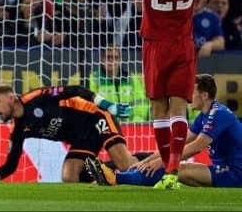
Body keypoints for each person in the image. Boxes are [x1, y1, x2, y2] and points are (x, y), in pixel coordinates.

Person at [111, 0, 212, 189]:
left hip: (156, 44)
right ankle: (171, 172)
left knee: (159, 110)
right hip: (184, 44)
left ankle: (166, 172)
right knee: (179, 109)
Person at [85, 74, 242, 188]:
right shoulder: (203, 116)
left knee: (175, 168)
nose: (188, 96)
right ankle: (115, 177)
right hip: (222, 168)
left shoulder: (219, 114)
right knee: (172, 168)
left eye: (192, 92)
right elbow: (178, 143)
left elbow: (196, 147)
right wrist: (149, 160)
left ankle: (114, 178)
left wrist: (163, 161)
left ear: (205, 95)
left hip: (235, 172)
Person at [0, 85, 135, 183]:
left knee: (125, 166)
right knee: (69, 175)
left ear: (11, 98)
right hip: (82, 138)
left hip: (95, 116)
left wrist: (105, 104)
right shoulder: (17, 129)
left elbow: (75, 90)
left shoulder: (36, 97)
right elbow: (11, 164)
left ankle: (150, 162)